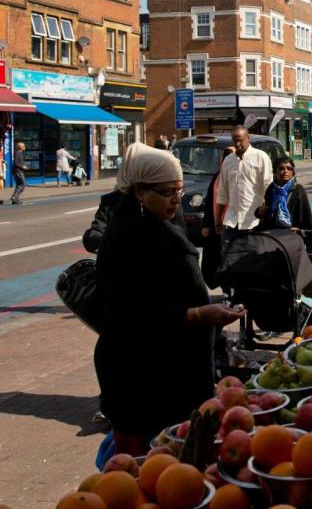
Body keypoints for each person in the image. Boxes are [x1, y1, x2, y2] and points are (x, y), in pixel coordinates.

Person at [94, 143, 243, 455]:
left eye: (179, 189)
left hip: (177, 375)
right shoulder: (127, 238)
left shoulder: (164, 221)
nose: (176, 198)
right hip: (142, 381)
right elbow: (133, 315)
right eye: (166, 191)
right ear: (139, 192)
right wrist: (201, 315)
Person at [216, 126, 273, 255]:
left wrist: (266, 212)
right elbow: (222, 193)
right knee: (228, 261)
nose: (237, 144)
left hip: (253, 222)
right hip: (232, 222)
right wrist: (218, 219)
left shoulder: (261, 157)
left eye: (240, 140)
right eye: (234, 140)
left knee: (252, 263)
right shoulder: (228, 160)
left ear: (248, 138)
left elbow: (268, 188)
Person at [256, 156, 312, 251]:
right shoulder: (271, 189)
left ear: (293, 172)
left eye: (289, 168)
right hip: (273, 239)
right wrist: (259, 212)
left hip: (292, 239)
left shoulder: (298, 190)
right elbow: (267, 215)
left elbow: (307, 219)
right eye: (281, 168)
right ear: (275, 172)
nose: (285, 171)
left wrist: (302, 234)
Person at [200, 147, 234, 288]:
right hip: (217, 225)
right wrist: (206, 225)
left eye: (230, 157)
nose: (227, 160)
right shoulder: (218, 176)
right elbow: (209, 202)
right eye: (225, 157)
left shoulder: (237, 175)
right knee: (216, 257)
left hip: (232, 224)